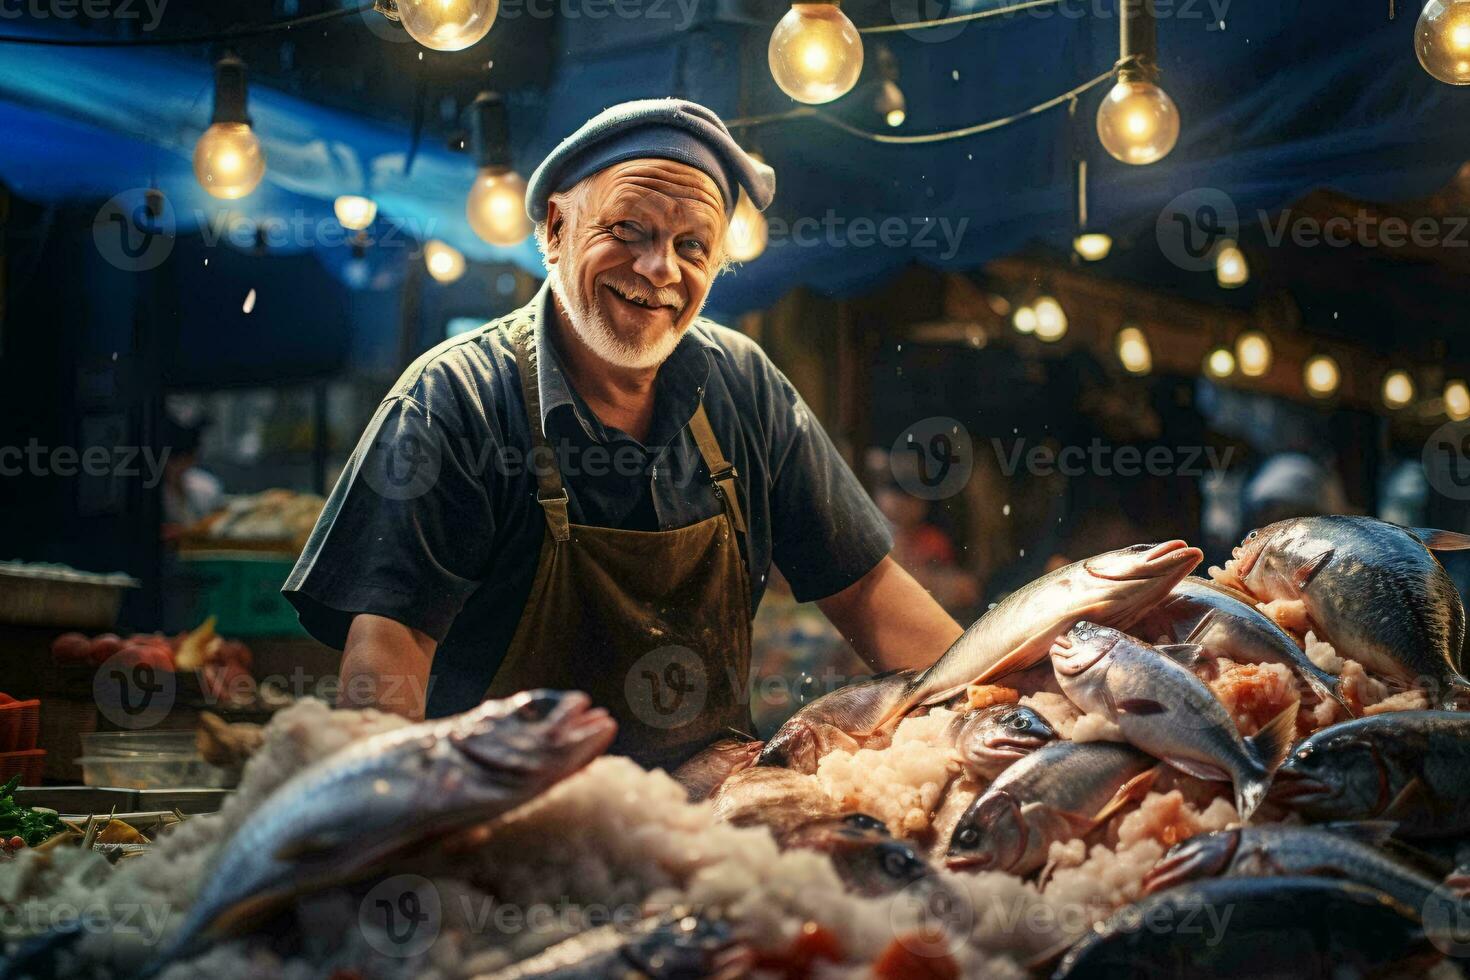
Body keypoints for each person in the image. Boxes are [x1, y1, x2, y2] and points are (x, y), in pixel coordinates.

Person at [284, 99, 963, 769]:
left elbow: (868, 593)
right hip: (501, 824)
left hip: (701, 829)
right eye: (629, 230)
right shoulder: (454, 401)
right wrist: (387, 825)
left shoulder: (746, 388)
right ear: (555, 228)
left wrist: (989, 708)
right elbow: (389, 647)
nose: (659, 268)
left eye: (691, 245)